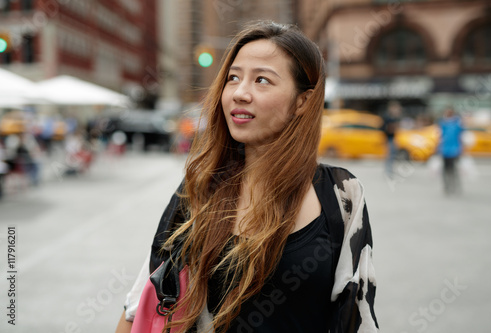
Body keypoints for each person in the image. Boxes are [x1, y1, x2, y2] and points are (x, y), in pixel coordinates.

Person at [115, 21, 378, 333]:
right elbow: (143, 303)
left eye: (262, 80)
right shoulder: (199, 188)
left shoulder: (341, 195)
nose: (240, 93)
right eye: (233, 78)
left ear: (302, 102)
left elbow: (357, 315)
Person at [438, 107, 464, 196]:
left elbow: (461, 136)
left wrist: (462, 149)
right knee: (445, 169)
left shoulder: (457, 123)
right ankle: (446, 187)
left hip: (455, 150)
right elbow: (439, 136)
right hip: (444, 149)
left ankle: (454, 186)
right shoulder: (442, 122)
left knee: (453, 169)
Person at [382, 100, 402, 178]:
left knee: (393, 155)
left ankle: (390, 170)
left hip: (394, 138)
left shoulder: (394, 117)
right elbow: (386, 129)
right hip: (390, 139)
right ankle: (388, 171)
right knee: (390, 155)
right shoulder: (388, 118)